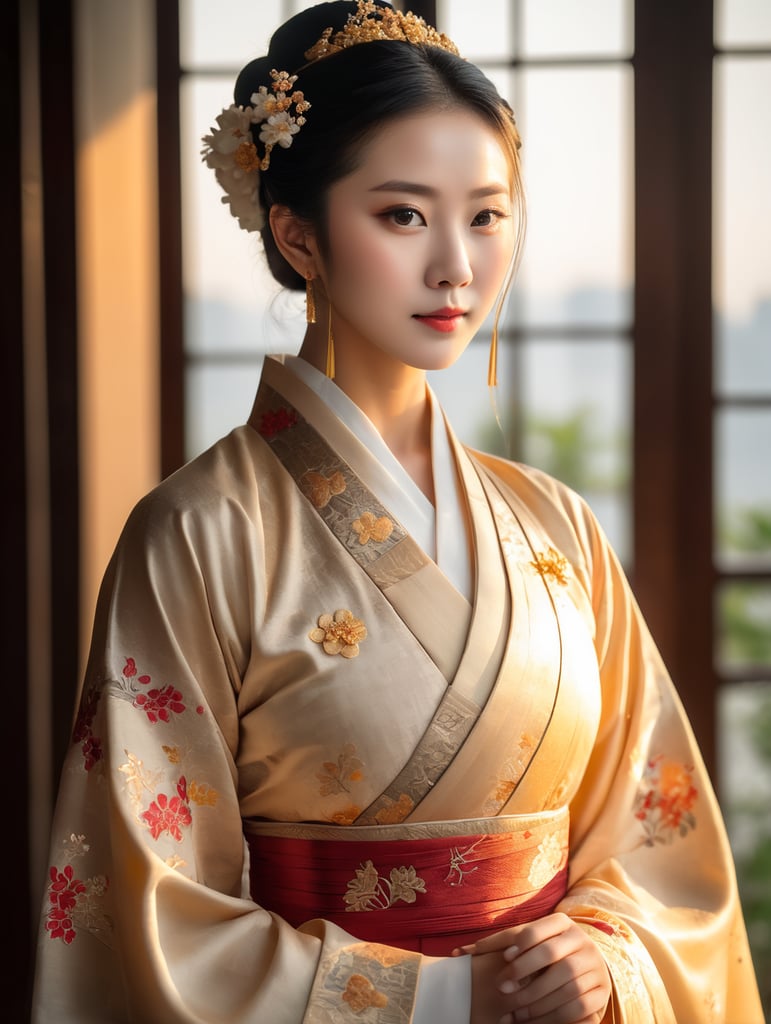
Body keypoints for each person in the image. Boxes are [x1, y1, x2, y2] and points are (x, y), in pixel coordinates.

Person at [31, 2, 763, 1022]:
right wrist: (448, 997)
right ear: (298, 233)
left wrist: (605, 957)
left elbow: (655, 842)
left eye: (488, 213)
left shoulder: (555, 524)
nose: (457, 265)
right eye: (404, 214)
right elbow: (152, 908)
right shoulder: (198, 533)